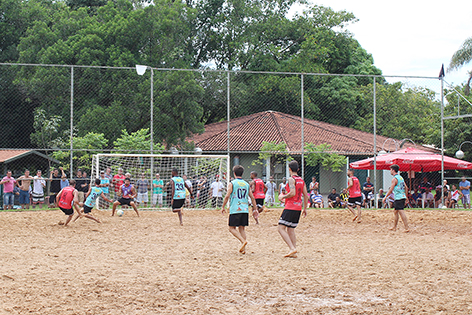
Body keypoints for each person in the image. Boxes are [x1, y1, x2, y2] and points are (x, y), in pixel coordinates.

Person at [221, 165, 258, 254]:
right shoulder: (246, 184)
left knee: (231, 228)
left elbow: (227, 196)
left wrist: (223, 206)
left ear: (234, 173)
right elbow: (252, 197)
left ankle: (242, 241)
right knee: (242, 228)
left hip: (235, 209)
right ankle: (243, 249)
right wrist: (255, 209)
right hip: (245, 209)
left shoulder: (232, 183)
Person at [277, 160, 308, 258]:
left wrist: (283, 196)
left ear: (289, 169)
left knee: (280, 228)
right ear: (298, 169)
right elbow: (306, 195)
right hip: (298, 207)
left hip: (290, 206)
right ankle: (293, 250)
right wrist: (305, 208)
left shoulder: (291, 179)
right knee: (291, 229)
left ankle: (292, 248)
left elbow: (292, 193)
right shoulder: (301, 180)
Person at [383, 164, 410, 232]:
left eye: (391, 170)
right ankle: (394, 227)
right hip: (402, 196)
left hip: (398, 197)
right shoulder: (401, 178)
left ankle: (407, 227)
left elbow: (391, 189)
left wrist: (385, 197)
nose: (390, 171)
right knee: (395, 211)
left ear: (393, 170)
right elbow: (406, 188)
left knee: (401, 212)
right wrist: (406, 196)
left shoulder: (394, 179)